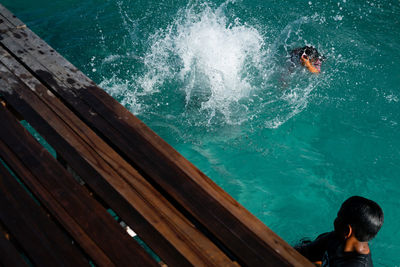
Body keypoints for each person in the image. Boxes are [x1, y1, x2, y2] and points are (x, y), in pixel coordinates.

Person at [295, 196, 384, 267]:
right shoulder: (333, 238)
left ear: (346, 231)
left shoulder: (358, 265)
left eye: (338, 217)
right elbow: (305, 251)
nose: (335, 220)